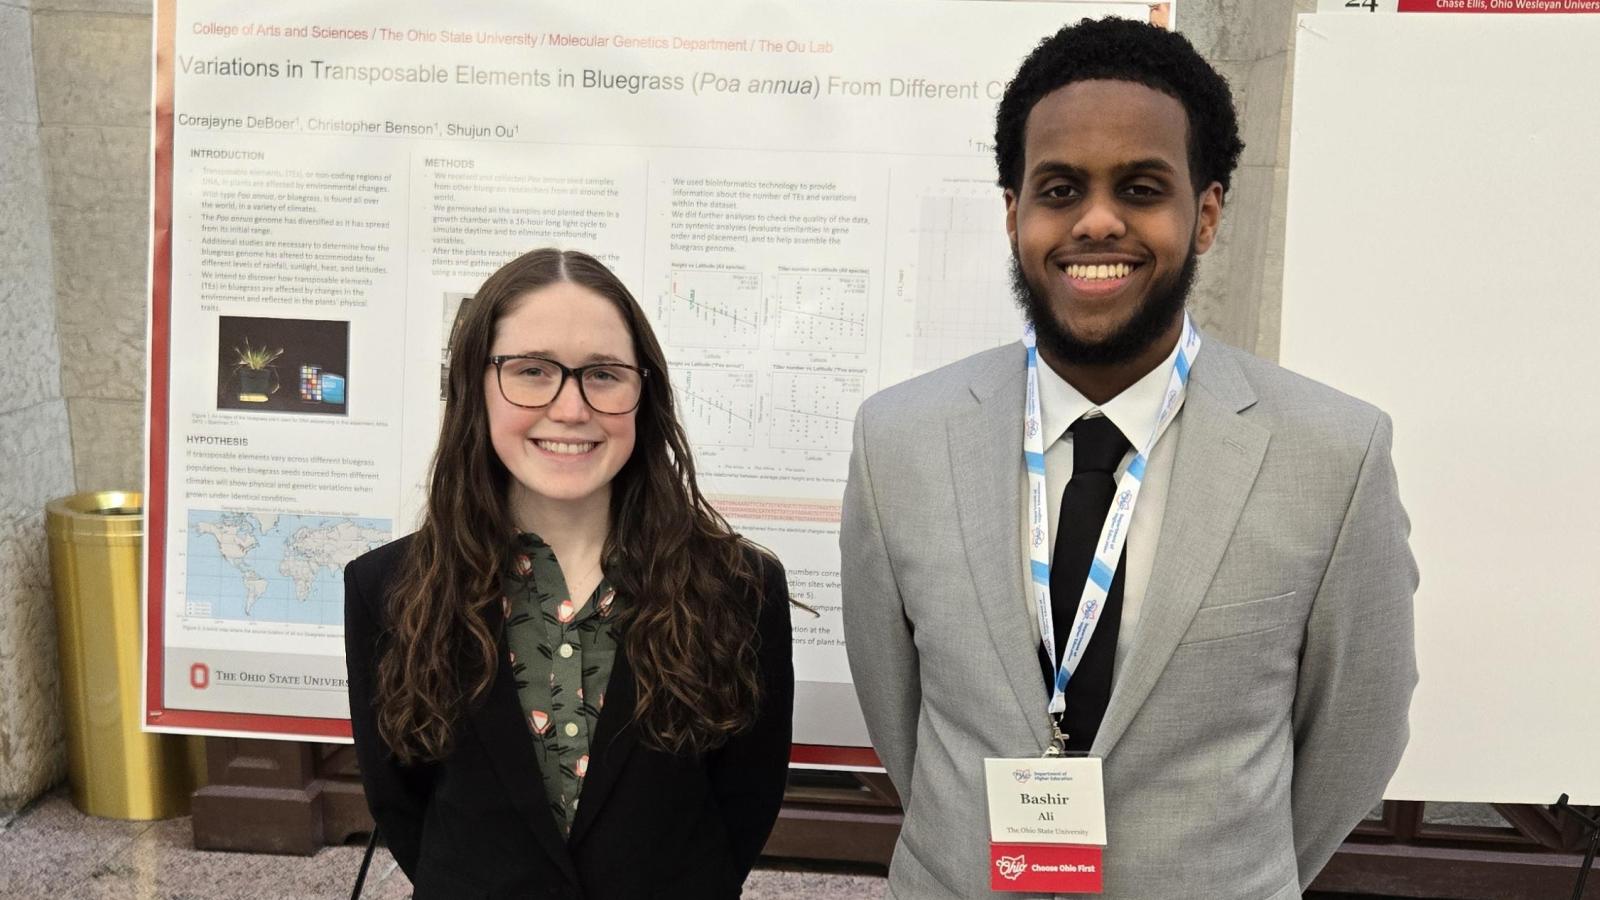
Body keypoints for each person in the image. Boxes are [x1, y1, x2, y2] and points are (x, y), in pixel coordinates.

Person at [841, 18, 1416, 899]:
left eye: (1142, 188)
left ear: (1208, 212)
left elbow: (1356, 733)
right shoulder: (900, 442)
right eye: (1060, 188)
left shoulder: (1334, 455)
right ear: (1014, 215)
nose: (1097, 220)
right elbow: (899, 712)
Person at [345, 248, 794, 899]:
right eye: (532, 371)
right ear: (476, 384)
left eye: (604, 375)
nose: (571, 407)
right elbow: (402, 803)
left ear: (645, 392)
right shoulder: (389, 589)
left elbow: (744, 801)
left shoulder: (739, 589)